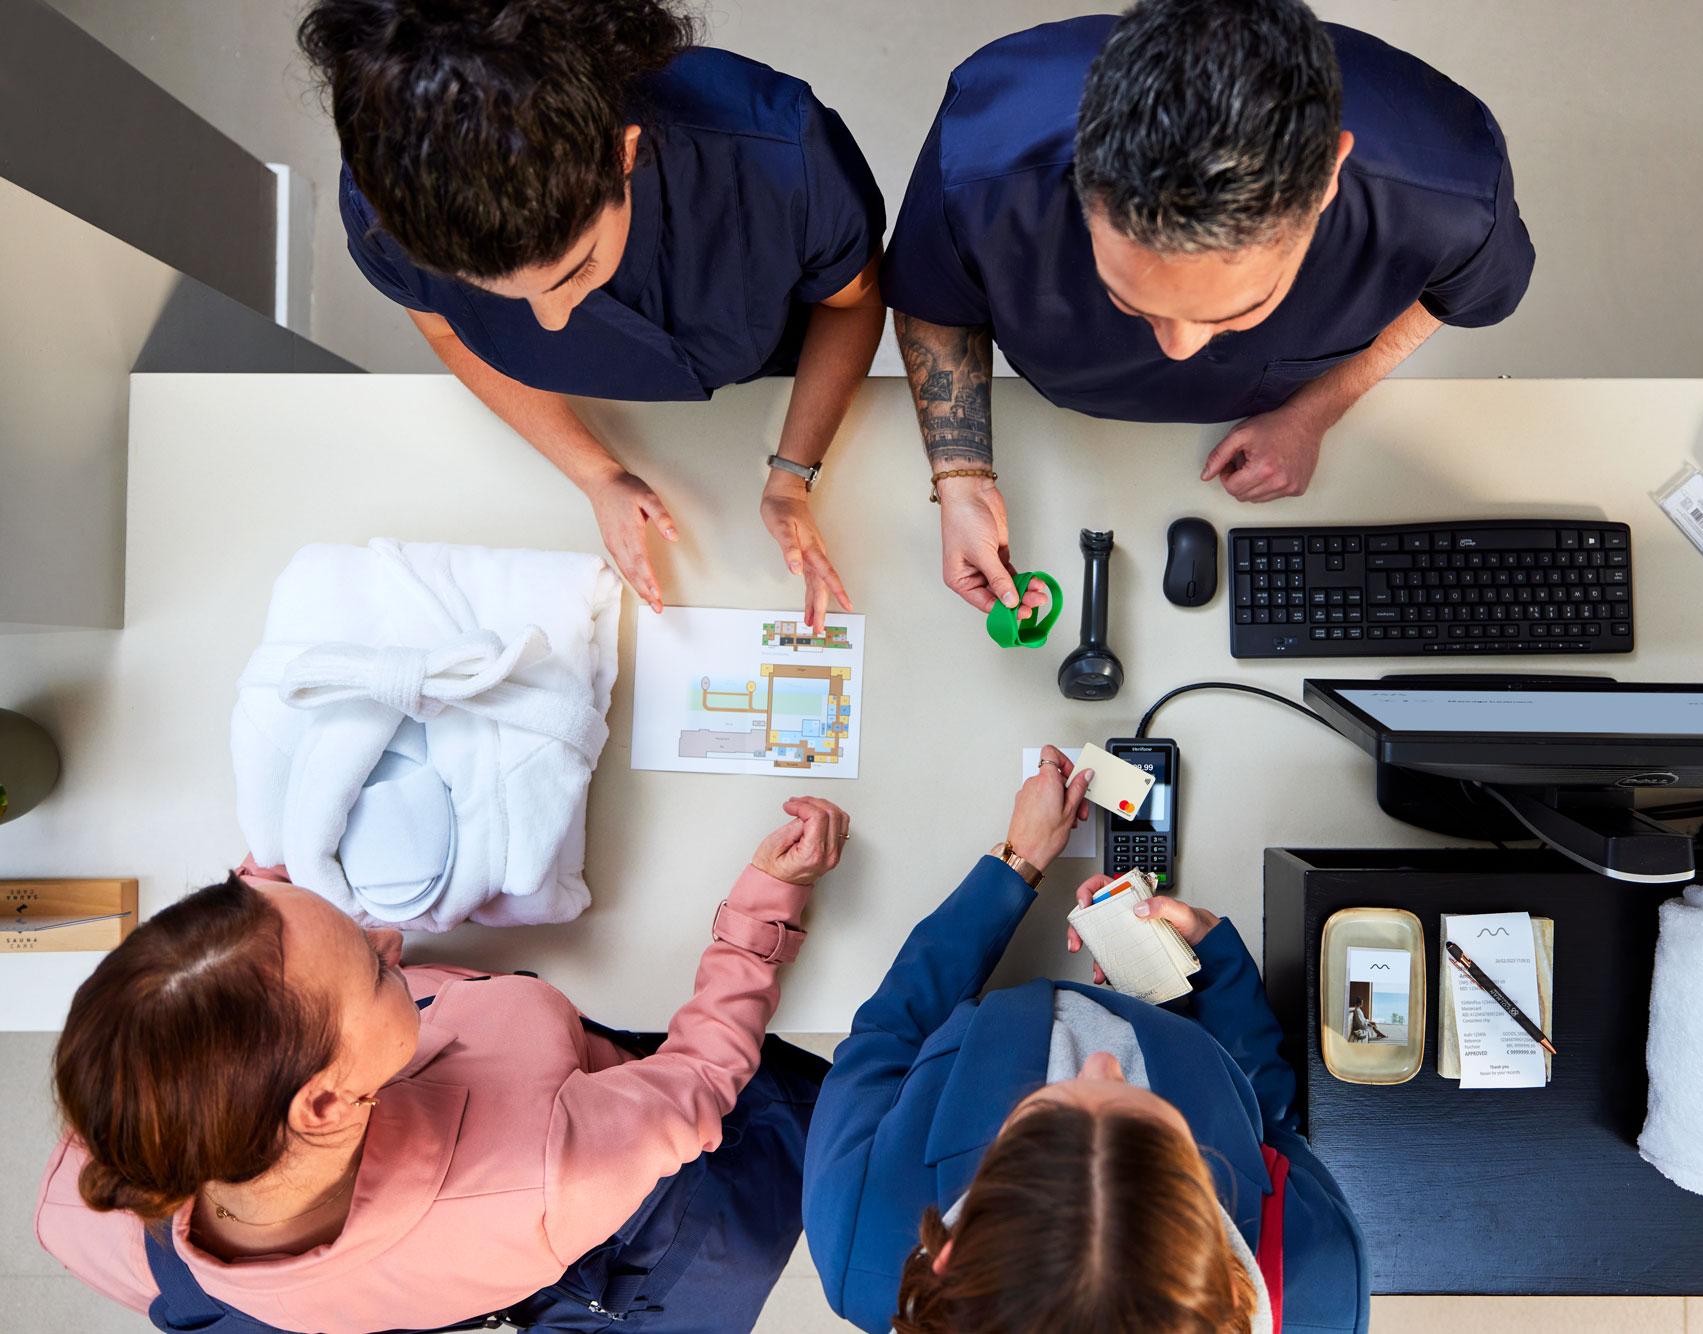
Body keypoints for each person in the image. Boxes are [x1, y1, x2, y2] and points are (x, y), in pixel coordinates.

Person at [35, 797, 850, 1333]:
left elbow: (237, 960)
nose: (390, 938)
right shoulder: (552, 1170)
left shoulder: (146, 1100)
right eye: (376, 969)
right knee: (781, 1128)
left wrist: (286, 854)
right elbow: (702, 1076)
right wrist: (763, 907)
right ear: (325, 1105)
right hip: (629, 1215)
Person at [887, 0, 1534, 620]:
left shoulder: (1452, 195)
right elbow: (935, 300)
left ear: (1327, 179)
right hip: (1061, 424)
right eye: (1128, 298)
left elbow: (1453, 298)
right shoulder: (981, 161)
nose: (1178, 347)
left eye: (1237, 309)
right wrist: (962, 479)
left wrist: (1313, 412)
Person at [301, 0, 887, 629]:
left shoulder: (776, 158)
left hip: (777, 383)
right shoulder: (389, 204)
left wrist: (792, 474)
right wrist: (596, 473)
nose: (551, 322)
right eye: (494, 292)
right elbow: (443, 326)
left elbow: (850, 305)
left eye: (574, 270)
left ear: (622, 156)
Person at [803, 748, 1368, 1332]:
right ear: (1230, 1278)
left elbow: (891, 1032)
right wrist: (1204, 962)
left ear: (947, 1259)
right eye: (1154, 1121)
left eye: (1035, 1112)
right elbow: (1269, 1128)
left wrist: (1016, 862)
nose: (1101, 1060)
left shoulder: (857, 1238)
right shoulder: (1318, 1274)